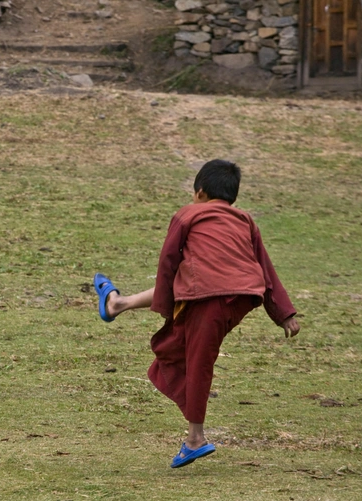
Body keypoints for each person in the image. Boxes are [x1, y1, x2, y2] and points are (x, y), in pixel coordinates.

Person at [93, 159, 300, 468]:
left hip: (209, 296)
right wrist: (283, 313)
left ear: (200, 192)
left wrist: (165, 310)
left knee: (196, 360)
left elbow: (168, 261)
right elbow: (265, 268)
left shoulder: (188, 213)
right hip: (243, 296)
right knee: (177, 349)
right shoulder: (244, 219)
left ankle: (195, 439)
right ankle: (117, 304)